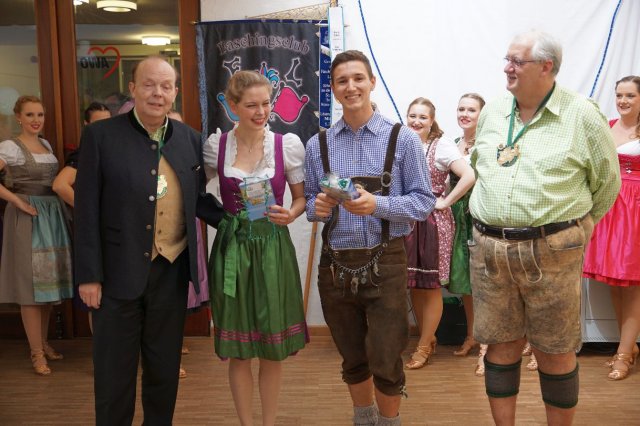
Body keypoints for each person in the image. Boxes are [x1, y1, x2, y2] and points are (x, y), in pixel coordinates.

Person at [469, 30, 620, 425]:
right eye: (507, 59)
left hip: (552, 253)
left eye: (517, 61)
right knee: (500, 345)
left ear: (546, 66)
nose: (507, 67)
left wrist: (579, 227)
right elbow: (480, 167)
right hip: (490, 253)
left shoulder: (582, 115)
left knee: (555, 349)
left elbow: (608, 183)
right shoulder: (493, 111)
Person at [304, 50, 435, 426]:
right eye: (342, 81)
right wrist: (319, 206)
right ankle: (363, 419)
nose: (351, 87)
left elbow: (424, 202)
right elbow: (311, 204)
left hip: (386, 261)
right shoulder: (318, 145)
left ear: (372, 82)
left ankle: (389, 422)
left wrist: (378, 204)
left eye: (358, 78)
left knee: (386, 354)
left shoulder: (402, 139)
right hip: (335, 264)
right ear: (333, 88)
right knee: (352, 354)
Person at [74, 56, 205, 425]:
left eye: (166, 86)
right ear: (132, 89)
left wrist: (242, 215)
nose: (157, 93)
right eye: (149, 85)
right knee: (114, 374)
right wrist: (88, 275)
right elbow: (86, 209)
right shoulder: (101, 136)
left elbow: (201, 200)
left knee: (164, 371)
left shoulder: (190, 139)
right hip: (116, 274)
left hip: (171, 271)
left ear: (175, 92)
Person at [203, 70, 308, 426]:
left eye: (266, 103)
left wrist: (290, 214)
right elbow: (195, 191)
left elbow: (300, 199)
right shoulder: (217, 147)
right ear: (233, 106)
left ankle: (269, 423)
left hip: (272, 248)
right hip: (233, 247)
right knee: (240, 351)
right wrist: (221, 219)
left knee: (271, 350)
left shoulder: (286, 145)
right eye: (251, 105)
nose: (261, 111)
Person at [0, 95, 73, 376]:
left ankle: (43, 343)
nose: (36, 120)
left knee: (47, 283)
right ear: (18, 117)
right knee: (31, 287)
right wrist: (16, 201)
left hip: (51, 215)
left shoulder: (46, 144)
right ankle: (36, 352)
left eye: (40, 114)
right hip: (27, 215)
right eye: (30, 115)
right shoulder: (10, 147)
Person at [403, 97, 475, 370]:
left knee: (431, 285)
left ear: (432, 120)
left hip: (434, 222)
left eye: (423, 117)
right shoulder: (403, 143)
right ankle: (427, 338)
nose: (416, 121)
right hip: (409, 219)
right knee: (414, 282)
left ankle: (423, 346)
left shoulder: (441, 145)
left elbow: (468, 176)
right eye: (412, 115)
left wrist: (445, 202)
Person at [583, 75, 640, 381]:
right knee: (615, 282)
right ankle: (627, 347)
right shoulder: (608, 126)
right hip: (610, 206)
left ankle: (624, 354)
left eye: (630, 95)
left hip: (636, 208)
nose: (623, 100)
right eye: (619, 95)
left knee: (632, 285)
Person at [53, 102, 111, 334]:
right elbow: (60, 185)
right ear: (86, 126)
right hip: (94, 232)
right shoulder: (84, 153)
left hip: (114, 233)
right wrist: (89, 209)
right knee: (96, 297)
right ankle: (102, 351)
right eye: (98, 123)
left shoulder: (114, 149)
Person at [167, 109, 210, 380]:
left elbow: (201, 190)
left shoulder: (191, 150)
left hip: (188, 228)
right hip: (159, 235)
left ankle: (172, 348)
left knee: (180, 291)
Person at [446, 93, 487, 373]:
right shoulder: (452, 144)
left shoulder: (488, 144)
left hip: (480, 215)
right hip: (457, 217)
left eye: (471, 110)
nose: (465, 114)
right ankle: (471, 335)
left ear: (482, 114)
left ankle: (487, 344)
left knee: (484, 283)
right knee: (465, 282)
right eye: (461, 109)